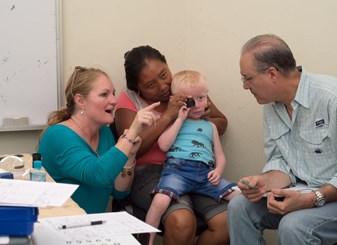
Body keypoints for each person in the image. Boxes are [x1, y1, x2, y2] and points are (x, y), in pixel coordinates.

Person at [114, 45, 231, 245]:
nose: (162, 86)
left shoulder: (185, 88)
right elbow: (133, 148)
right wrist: (168, 115)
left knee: (227, 221)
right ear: (138, 88)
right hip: (149, 173)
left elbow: (221, 124)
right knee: (182, 222)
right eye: (151, 84)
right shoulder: (128, 101)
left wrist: (203, 115)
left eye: (164, 74)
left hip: (193, 169)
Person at [227, 34, 337, 244]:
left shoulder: (331, 98)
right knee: (239, 206)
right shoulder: (272, 104)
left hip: (330, 195)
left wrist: (312, 199)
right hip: (302, 190)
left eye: (247, 78)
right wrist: (264, 181)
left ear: (272, 74)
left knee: (293, 225)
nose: (245, 86)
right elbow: (281, 160)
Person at [38, 66, 159, 214]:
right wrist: (132, 131)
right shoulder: (57, 135)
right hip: (59, 227)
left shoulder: (104, 133)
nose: (114, 100)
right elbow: (97, 175)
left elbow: (119, 191)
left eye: (113, 94)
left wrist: (130, 156)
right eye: (104, 94)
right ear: (80, 101)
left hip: (92, 226)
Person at [145, 70, 240, 245]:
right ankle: (146, 240)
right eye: (190, 101)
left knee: (241, 197)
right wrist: (179, 119)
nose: (196, 105)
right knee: (160, 201)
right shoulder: (175, 123)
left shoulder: (210, 126)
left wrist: (218, 171)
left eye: (201, 98)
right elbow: (164, 145)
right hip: (177, 171)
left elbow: (219, 155)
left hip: (205, 174)